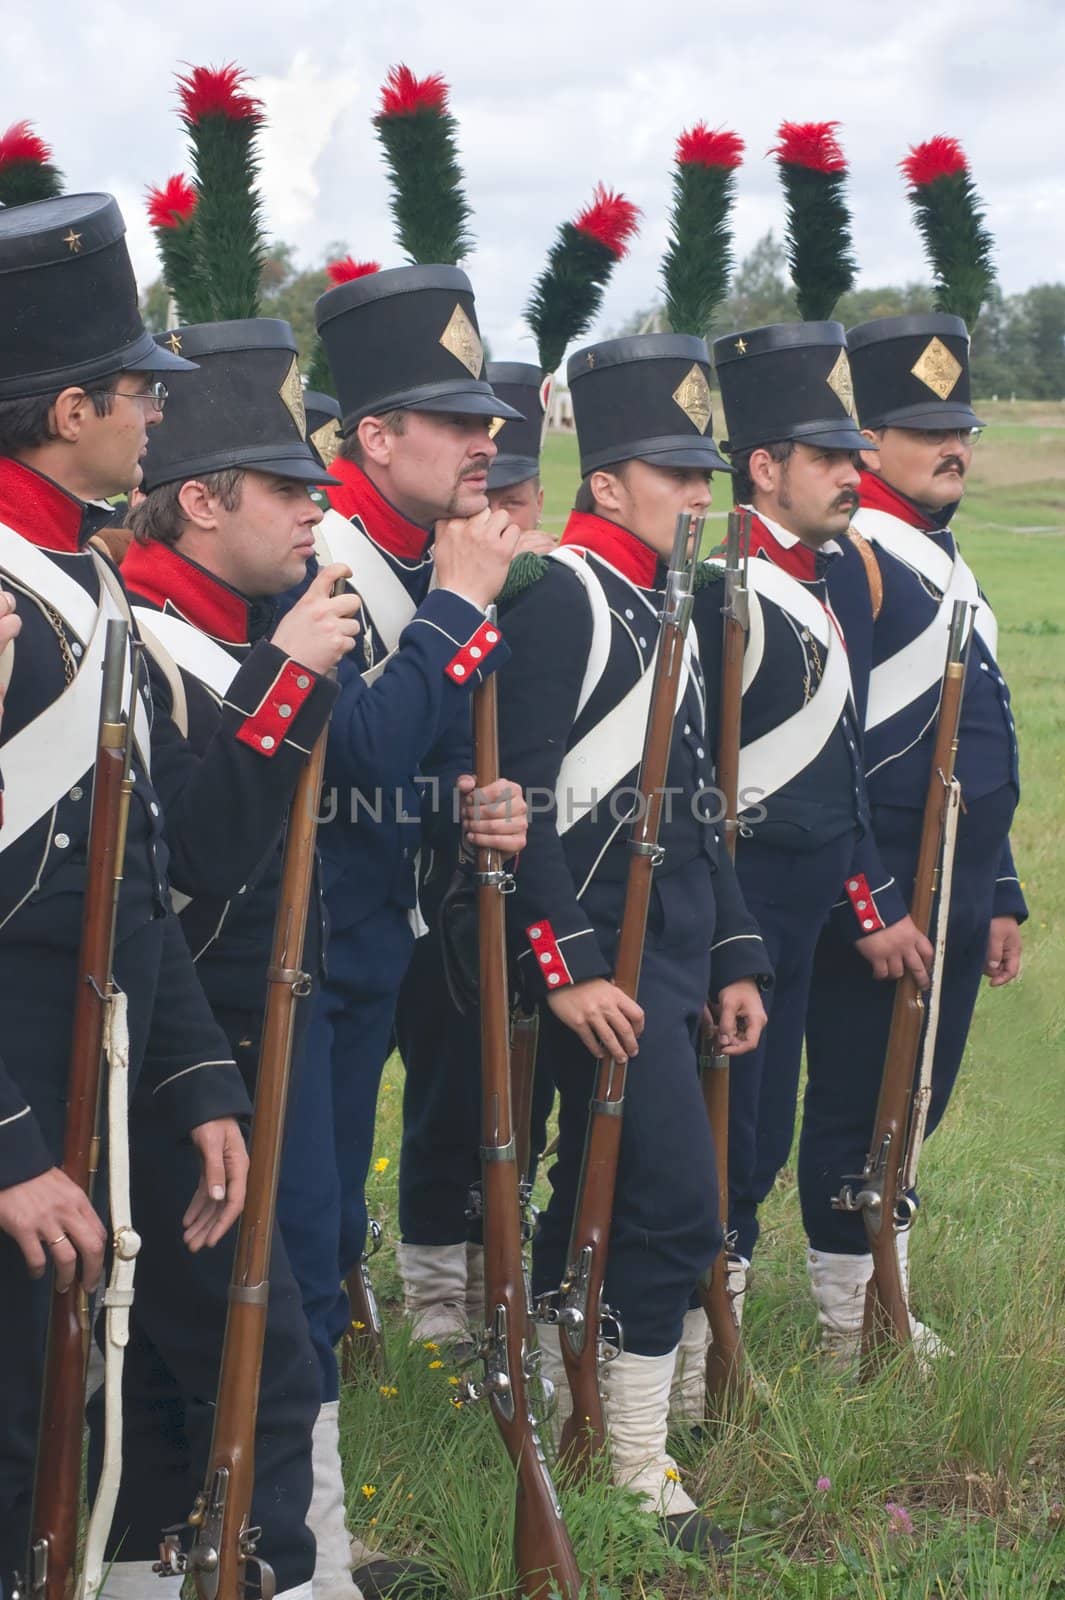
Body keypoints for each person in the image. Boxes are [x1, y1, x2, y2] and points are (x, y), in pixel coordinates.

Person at [0, 192, 250, 1598]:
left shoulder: (74, 585)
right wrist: (12, 1144)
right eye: (137, 389)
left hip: (80, 1090)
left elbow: (131, 870)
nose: (159, 411)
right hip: (18, 1116)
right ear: (69, 405)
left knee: (59, 1437)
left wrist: (200, 1075)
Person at [497, 332, 771, 1554]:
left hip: (668, 960)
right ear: (607, 482)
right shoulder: (560, 592)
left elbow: (696, 802)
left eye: (707, 475)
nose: (702, 496)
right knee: (670, 1203)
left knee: (616, 1201)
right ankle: (627, 1462)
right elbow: (517, 795)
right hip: (599, 964)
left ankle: (584, 1418)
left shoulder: (666, 600)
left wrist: (730, 956)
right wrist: (565, 970)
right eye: (677, 474)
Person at [283, 262, 528, 1596]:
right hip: (298, 958)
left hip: (369, 943)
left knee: (319, 1248)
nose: (488, 442)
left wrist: (463, 803)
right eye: (456, 421)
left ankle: (302, 1536)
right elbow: (340, 747)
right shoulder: (322, 556)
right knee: (299, 1251)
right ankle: (299, 1549)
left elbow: (397, 766)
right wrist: (461, 607)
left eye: (488, 419)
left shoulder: (406, 560)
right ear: (375, 437)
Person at [110, 316, 361, 1600]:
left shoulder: (248, 628)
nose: (317, 508)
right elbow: (186, 863)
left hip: (275, 1032)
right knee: (211, 1352)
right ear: (201, 501)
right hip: (188, 1048)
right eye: (287, 488)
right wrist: (282, 680)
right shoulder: (145, 637)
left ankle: (302, 1563)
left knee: (287, 1321)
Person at [675, 324, 933, 1389]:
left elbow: (842, 773)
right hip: (734, 902)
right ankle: (688, 1366)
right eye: (828, 458)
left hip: (798, 898)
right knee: (713, 1142)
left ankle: (711, 1356)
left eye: (852, 456)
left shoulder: (829, 575)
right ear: (765, 466)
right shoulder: (719, 583)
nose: (852, 474)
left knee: (760, 1136)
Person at [800, 312, 1026, 1355]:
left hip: (954, 884)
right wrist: (870, 898)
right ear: (866, 440)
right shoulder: (856, 558)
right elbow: (821, 747)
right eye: (924, 428)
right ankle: (850, 1310)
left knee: (915, 1098)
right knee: (861, 1096)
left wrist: (1005, 887)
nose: (954, 447)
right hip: (884, 885)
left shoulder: (936, 553)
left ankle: (879, 1280)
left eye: (962, 429)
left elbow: (970, 736)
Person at [394, 359, 555, 1349]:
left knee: (516, 1086)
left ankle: (499, 1263)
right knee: (447, 1080)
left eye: (521, 494)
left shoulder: (547, 584)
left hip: (516, 860)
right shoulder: (425, 579)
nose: (507, 511)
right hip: (420, 874)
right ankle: (432, 1287)